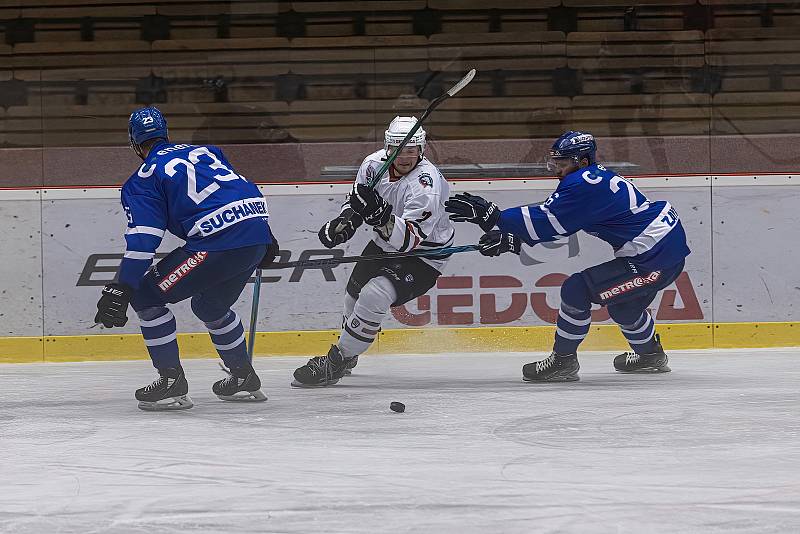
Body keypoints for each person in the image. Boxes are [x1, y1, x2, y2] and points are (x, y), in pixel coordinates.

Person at [445, 131, 690, 382]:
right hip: (663, 251)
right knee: (624, 308)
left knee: (576, 289)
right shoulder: (593, 178)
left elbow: (551, 219)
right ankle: (650, 356)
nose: (557, 170)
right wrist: (513, 239)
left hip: (652, 258)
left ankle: (563, 361)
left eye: (562, 164)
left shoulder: (584, 182)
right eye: (555, 163)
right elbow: (566, 222)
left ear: (582, 161)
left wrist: (494, 217)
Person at [94, 106, 278, 410]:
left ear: (134, 144)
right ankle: (243, 377)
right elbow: (240, 189)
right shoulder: (209, 151)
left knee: (144, 296)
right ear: (166, 133)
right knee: (210, 305)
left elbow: (143, 242)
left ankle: (170, 382)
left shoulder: (144, 178)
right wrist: (266, 236)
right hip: (254, 235)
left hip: (217, 243)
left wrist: (121, 286)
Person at [292, 116, 455, 387]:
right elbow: (358, 199)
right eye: (397, 149)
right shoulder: (372, 164)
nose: (403, 157)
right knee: (353, 296)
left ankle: (338, 361)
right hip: (383, 243)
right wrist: (344, 223)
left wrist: (380, 217)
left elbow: (409, 242)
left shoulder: (427, 187)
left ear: (421, 150)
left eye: (411, 150)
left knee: (374, 294)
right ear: (387, 147)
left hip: (424, 255)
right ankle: (350, 350)